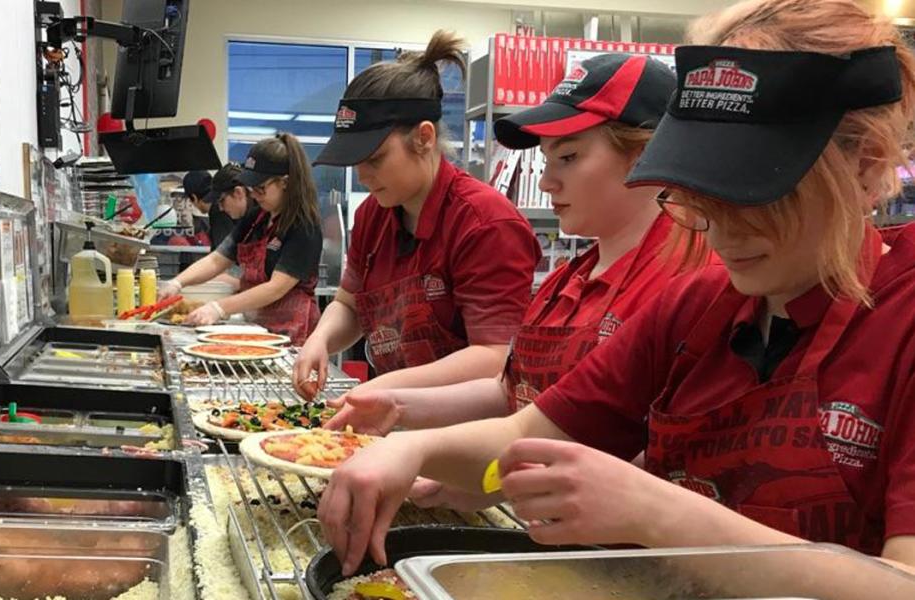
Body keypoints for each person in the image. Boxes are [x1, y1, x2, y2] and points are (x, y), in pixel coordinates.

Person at [318, 0, 915, 576]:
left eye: (754, 185)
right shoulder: (699, 304)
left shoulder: (899, 321)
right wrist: (409, 448)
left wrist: (654, 510)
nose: (720, 225)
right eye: (698, 186)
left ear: (867, 163)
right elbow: (529, 427)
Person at [325, 53, 681, 435]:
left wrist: (420, 441)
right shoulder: (565, 283)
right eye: (545, 160)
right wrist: (399, 416)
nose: (545, 183)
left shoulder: (687, 285)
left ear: (644, 157)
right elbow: (513, 396)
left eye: (568, 156)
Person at [293, 31, 541, 399]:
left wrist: (386, 386)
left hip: (465, 434)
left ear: (424, 137)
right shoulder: (374, 215)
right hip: (396, 412)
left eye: (375, 159)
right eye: (355, 163)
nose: (362, 176)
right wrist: (320, 339)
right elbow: (350, 304)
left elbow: (493, 357)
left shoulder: (486, 224)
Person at [161, 133, 323, 342]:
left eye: (260, 188)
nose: (253, 195)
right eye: (251, 188)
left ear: (285, 182)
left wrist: (220, 308)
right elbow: (217, 260)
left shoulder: (304, 225)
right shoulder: (257, 218)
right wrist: (176, 282)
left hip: (292, 334)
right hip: (258, 327)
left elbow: (276, 288)